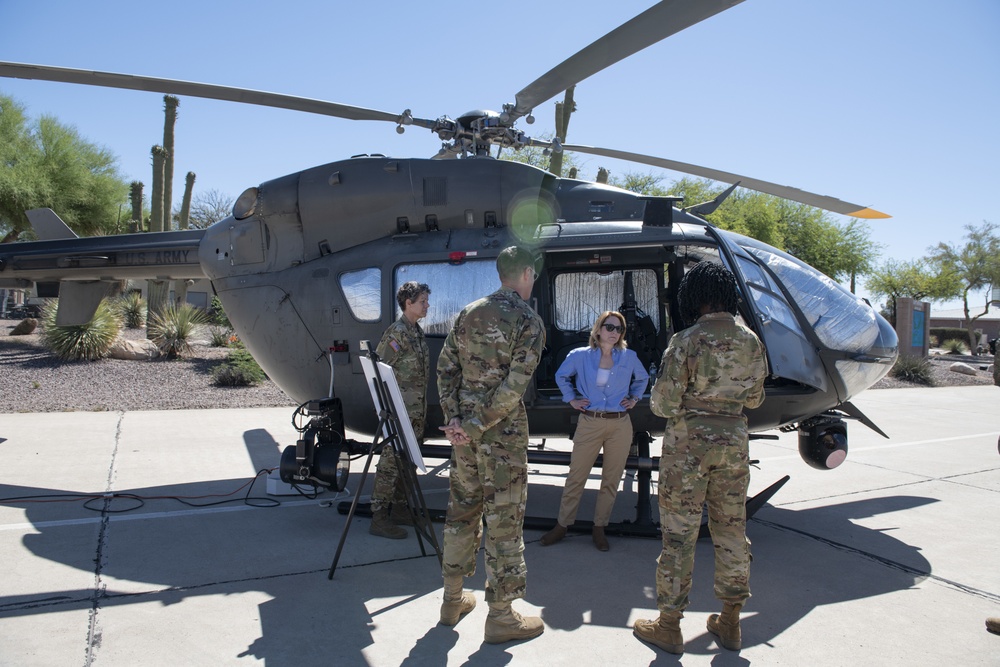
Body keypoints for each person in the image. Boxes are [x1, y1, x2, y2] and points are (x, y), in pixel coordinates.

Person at [633, 262, 768, 655]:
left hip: (689, 445)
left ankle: (669, 626)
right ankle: (730, 622)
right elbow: (756, 399)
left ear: (694, 297)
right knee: (730, 530)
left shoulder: (686, 340)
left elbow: (662, 404)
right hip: (733, 443)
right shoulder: (751, 342)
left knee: (679, 535)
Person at [436, 246, 546, 643]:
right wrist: (478, 424)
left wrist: (456, 421)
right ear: (527, 274)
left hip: (464, 437)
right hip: (502, 438)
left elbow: (446, 368)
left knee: (461, 513)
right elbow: (515, 386)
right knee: (503, 521)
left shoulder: (468, 312)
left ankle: (452, 600)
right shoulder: (528, 320)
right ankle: (500, 616)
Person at [540, 311, 649, 551]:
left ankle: (599, 528)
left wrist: (634, 398)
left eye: (619, 329)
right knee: (576, 477)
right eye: (609, 327)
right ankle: (562, 525)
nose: (614, 332)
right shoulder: (579, 356)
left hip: (620, 425)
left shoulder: (629, 357)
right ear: (598, 329)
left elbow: (642, 379)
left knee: (611, 480)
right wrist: (571, 399)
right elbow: (561, 376)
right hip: (589, 422)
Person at [369, 281, 431, 540]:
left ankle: (401, 508)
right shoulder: (397, 334)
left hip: (415, 412)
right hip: (399, 411)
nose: (427, 305)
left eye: (426, 300)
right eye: (423, 301)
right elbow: (379, 370)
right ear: (408, 303)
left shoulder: (415, 331)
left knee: (408, 462)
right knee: (391, 463)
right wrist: (389, 410)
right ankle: (379, 516)